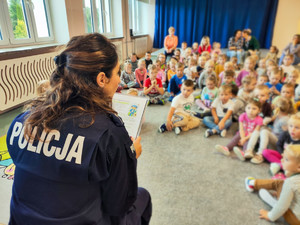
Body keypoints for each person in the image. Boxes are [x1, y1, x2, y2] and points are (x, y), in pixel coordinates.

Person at [6, 33, 152, 225]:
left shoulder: (22, 121)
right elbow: (119, 205)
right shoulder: (109, 133)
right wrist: (129, 156)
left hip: (21, 220)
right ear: (102, 78)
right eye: (117, 73)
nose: (118, 80)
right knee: (143, 197)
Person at [245, 145, 300, 224]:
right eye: (283, 157)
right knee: (283, 185)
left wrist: (270, 216)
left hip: (296, 219)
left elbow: (282, 206)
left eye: (286, 159)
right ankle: (254, 183)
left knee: (280, 184)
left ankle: (252, 184)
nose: (282, 160)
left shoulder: (291, 182)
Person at [247, 97, 295, 164]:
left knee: (264, 131)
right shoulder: (279, 116)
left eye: (274, 106)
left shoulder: (285, 120)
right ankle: (249, 150)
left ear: (277, 109)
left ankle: (260, 154)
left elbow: (285, 136)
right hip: (274, 137)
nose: (272, 108)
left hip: (278, 143)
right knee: (259, 129)